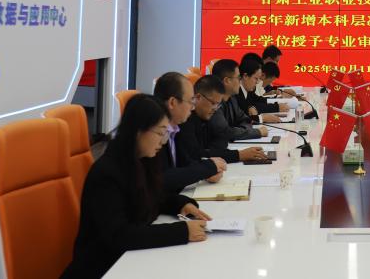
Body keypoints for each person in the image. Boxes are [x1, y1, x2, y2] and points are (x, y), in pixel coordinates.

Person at [62, 94, 209, 278]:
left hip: (130, 260)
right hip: (103, 268)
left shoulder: (143, 159)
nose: (163, 141)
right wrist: (181, 231)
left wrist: (180, 204)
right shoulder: (107, 172)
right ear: (138, 130)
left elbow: (153, 197)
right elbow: (120, 235)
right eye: (160, 133)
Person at [152, 72, 227, 191]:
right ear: (172, 103)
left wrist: (206, 172)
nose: (193, 107)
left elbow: (185, 162)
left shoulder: (174, 129)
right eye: (190, 101)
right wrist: (206, 169)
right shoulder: (152, 132)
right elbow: (163, 178)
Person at [179, 74, 269, 163]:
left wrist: (212, 152)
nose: (215, 109)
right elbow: (197, 154)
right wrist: (239, 155)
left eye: (218, 104)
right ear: (198, 97)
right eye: (213, 103)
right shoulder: (186, 120)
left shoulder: (206, 115)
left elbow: (222, 139)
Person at [210, 59, 268, 142]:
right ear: (227, 81)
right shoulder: (213, 103)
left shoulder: (232, 98)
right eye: (238, 78)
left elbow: (245, 120)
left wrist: (241, 131)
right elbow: (226, 132)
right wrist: (257, 132)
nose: (240, 81)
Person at [236, 55, 288, 122]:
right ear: (245, 76)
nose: (258, 82)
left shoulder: (247, 89)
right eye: (256, 78)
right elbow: (238, 118)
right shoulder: (235, 93)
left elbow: (256, 101)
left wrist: (277, 105)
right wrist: (261, 118)